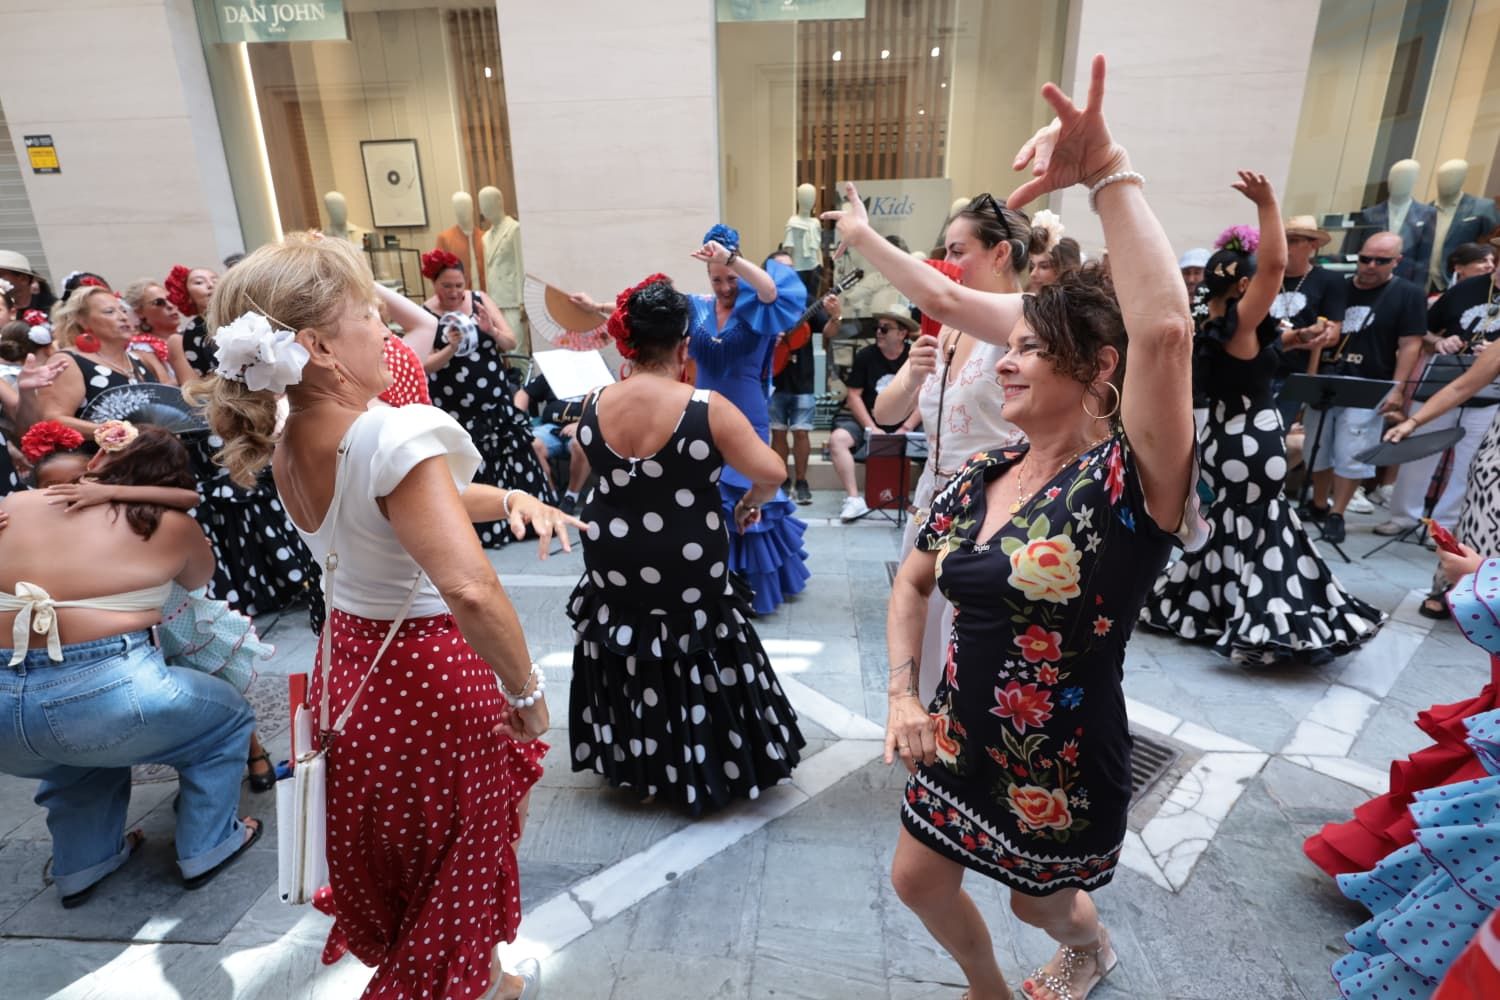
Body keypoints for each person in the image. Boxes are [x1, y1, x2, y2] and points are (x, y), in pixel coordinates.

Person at [828, 55, 1205, 1000]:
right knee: (916, 879)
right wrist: (902, 698)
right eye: (1012, 346)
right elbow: (913, 582)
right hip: (958, 736)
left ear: (1096, 371)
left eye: (1032, 351)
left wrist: (1109, 168)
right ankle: (987, 988)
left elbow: (1165, 332)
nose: (1005, 364)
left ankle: (1089, 945)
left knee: (1040, 904)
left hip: (1060, 763)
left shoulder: (1128, 483)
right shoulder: (982, 475)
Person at [186, 232, 547, 1000]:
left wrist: (511, 498)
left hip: (351, 660)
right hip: (427, 672)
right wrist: (525, 691)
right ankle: (464, 981)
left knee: (416, 850)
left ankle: (483, 975)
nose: (386, 329)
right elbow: (473, 589)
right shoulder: (389, 432)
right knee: (458, 846)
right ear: (317, 345)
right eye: (368, 314)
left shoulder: (287, 436)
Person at [568, 274, 806, 813]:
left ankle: (636, 760)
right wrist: (749, 504)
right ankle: (697, 761)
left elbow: (585, 466)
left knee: (628, 642)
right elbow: (771, 472)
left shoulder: (593, 401)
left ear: (628, 345)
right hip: (686, 562)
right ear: (684, 345)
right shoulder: (705, 407)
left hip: (613, 560)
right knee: (692, 643)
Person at [0, 424, 259, 906]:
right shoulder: (173, 523)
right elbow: (198, 578)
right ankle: (207, 845)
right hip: (104, 692)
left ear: (96, 460)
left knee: (75, 758)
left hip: (4, 716)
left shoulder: (16, 505)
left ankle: (82, 863)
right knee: (228, 721)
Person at [1141, 174, 1383, 665]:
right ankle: (1266, 618)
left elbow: (1251, 357)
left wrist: (1293, 341)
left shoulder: (1212, 326)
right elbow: (1276, 264)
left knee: (1231, 525)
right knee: (1264, 529)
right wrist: (1269, 204)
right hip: (1253, 441)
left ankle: (1212, 607)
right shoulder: (1242, 323)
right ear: (1245, 285)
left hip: (1222, 442)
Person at [871, 195, 1034, 698]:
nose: (949, 261)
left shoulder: (1027, 321)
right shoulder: (944, 333)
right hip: (931, 507)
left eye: (959, 250)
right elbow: (886, 417)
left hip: (997, 511)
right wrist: (910, 377)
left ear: (1000, 253)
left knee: (974, 650)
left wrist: (862, 236)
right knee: (922, 638)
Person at [685, 224, 810, 615]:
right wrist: (598, 309)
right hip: (703, 412)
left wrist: (732, 259)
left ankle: (752, 590)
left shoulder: (759, 304)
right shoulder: (698, 306)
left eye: (731, 277)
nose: (724, 286)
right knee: (706, 498)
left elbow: (771, 290)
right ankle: (707, 586)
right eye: (717, 278)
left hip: (747, 411)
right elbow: (646, 313)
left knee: (747, 490)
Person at [1375, 244, 1500, 572]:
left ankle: (1443, 528)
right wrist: (1439, 342)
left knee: (1471, 466)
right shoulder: (1465, 290)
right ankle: (1403, 517)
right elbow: (1424, 331)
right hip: (1444, 382)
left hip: (1491, 397)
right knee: (1418, 454)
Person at [420, 248, 554, 547]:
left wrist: (490, 330)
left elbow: (510, 341)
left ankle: (526, 519)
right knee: (471, 463)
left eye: (459, 285)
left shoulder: (479, 300)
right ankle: (486, 528)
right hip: (457, 409)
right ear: (433, 283)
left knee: (514, 454)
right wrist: (450, 349)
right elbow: (423, 365)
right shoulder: (425, 315)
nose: (454, 292)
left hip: (494, 402)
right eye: (447, 286)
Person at [1302, 232, 1426, 544]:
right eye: (1365, 258)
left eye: (1381, 261)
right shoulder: (1339, 286)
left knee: (1352, 450)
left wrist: (1397, 388)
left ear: (1396, 262)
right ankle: (1318, 503)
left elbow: (1410, 344)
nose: (1370, 266)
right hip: (1329, 373)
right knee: (1317, 444)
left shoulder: (1407, 294)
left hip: (1371, 378)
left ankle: (1338, 513)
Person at [1386, 310, 1500, 619]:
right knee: (1479, 531)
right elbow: (1461, 387)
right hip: (1496, 461)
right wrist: (1413, 422)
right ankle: (1449, 587)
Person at [26, 286, 168, 436]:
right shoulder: (69, 361)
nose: (122, 317)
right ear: (83, 321)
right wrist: (116, 432)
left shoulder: (139, 358)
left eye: (123, 310)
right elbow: (53, 420)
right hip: (100, 456)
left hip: (154, 454)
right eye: (110, 312)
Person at [830, 297, 919, 521]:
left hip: (907, 421)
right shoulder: (866, 356)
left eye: (885, 328)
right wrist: (871, 428)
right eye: (877, 327)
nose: (878, 332)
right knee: (838, 439)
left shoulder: (914, 357)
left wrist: (907, 427)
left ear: (902, 333)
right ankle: (853, 499)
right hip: (867, 420)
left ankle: (928, 503)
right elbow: (853, 396)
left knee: (941, 438)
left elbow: (925, 397)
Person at [767, 250, 839, 505]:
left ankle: (802, 480)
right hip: (773, 376)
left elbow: (828, 331)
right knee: (777, 432)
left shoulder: (806, 300)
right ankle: (781, 479)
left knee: (801, 432)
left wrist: (835, 315)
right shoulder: (763, 300)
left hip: (803, 377)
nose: (786, 273)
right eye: (780, 268)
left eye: (790, 268)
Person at [1268, 215, 1346, 424]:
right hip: (1260, 369)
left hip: (1296, 375)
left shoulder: (1329, 280)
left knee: (1278, 436)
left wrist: (1317, 336)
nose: (1285, 247)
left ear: (1312, 245)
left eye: (1293, 241)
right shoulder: (1266, 276)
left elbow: (1333, 334)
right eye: (1283, 240)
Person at [514, 369, 591, 514]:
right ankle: (551, 496)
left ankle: (570, 497)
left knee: (581, 443)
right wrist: (516, 418)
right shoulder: (555, 371)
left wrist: (583, 424)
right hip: (550, 428)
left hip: (584, 426)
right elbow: (524, 393)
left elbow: (606, 407)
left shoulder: (598, 373)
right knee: (530, 443)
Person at [162, 265, 217, 383]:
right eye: (199, 282)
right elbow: (193, 390)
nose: (211, 285)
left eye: (215, 280)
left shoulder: (246, 321)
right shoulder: (181, 340)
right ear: (187, 296)